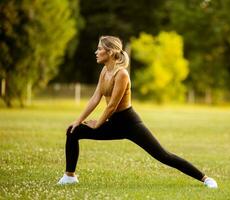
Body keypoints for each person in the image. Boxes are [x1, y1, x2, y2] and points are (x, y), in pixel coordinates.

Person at [57, 35, 218, 188]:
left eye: (99, 49)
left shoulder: (122, 74)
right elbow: (95, 98)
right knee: (73, 131)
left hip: (130, 124)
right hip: (113, 123)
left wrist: (97, 124)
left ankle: (206, 179)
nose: (96, 52)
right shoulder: (105, 71)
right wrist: (78, 121)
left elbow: (112, 105)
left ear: (110, 52)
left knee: (164, 156)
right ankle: (69, 176)